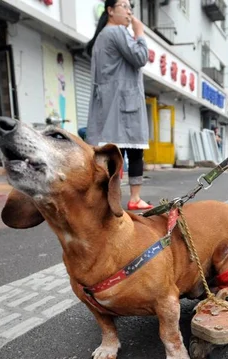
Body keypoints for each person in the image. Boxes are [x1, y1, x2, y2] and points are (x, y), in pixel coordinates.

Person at [86, 0, 153, 211]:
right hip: (124, 104)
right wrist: (140, 32)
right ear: (110, 10)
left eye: (130, 7)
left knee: (114, 153)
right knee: (132, 152)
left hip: (110, 104)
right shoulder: (118, 32)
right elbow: (140, 57)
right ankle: (133, 198)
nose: (129, 11)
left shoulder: (100, 38)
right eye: (124, 5)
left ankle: (106, 198)